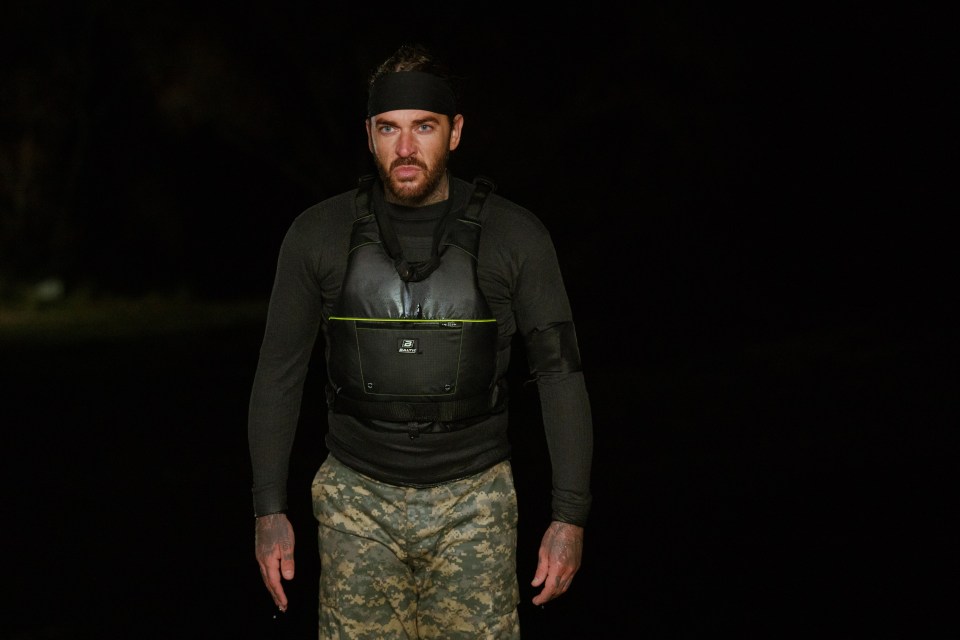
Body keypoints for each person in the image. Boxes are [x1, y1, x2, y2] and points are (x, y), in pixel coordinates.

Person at [248, 42, 593, 639]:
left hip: (475, 503)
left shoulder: (516, 236)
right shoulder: (317, 235)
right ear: (370, 135)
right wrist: (267, 508)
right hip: (355, 500)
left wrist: (569, 517)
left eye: (423, 127)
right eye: (389, 129)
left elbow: (561, 374)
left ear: (454, 133)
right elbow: (279, 372)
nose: (405, 148)